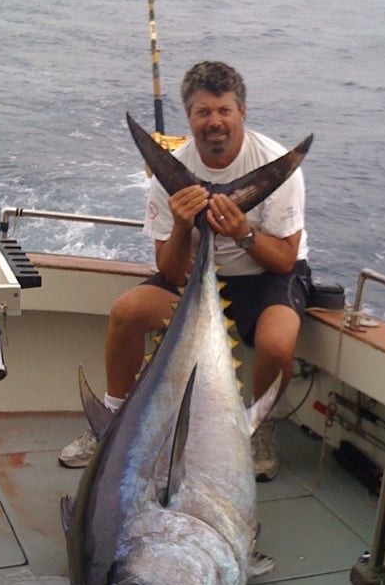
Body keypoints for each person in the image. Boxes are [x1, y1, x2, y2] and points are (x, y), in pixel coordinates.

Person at [59, 60, 311, 480]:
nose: (214, 122)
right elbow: (170, 271)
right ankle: (112, 423)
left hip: (269, 276)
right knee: (126, 313)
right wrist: (181, 224)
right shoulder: (170, 170)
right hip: (197, 278)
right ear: (190, 117)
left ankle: (260, 428)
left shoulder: (275, 163)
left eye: (224, 111)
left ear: (241, 113)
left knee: (277, 344)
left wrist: (243, 233)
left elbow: (286, 258)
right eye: (203, 112)